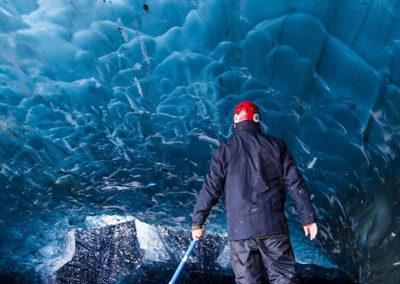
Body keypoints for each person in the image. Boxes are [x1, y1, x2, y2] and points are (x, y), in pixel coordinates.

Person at [191, 101, 318, 284]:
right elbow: (295, 182)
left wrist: (198, 222)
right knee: (284, 280)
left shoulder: (224, 150)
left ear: (235, 123)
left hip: (240, 231)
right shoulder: (277, 146)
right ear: (257, 121)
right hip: (273, 227)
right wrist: (308, 218)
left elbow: (210, 188)